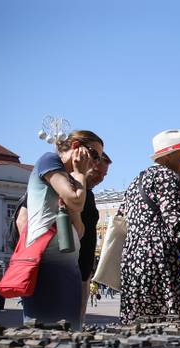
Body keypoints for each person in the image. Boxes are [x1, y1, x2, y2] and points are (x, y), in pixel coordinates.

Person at [119, 129, 180, 324]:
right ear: (167, 156)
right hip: (159, 260)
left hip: (133, 260)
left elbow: (122, 217)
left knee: (139, 325)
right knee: (174, 323)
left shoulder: (136, 181)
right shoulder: (167, 176)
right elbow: (175, 223)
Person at [22, 130, 103, 330]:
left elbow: (80, 230)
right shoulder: (49, 160)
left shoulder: (70, 178)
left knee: (69, 332)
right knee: (43, 335)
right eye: (94, 155)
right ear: (76, 146)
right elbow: (75, 201)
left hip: (68, 266)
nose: (96, 163)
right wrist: (80, 173)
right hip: (44, 263)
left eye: (99, 158)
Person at [80, 152, 110, 322]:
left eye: (104, 175)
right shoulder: (67, 189)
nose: (101, 179)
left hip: (83, 272)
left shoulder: (89, 194)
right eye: (97, 172)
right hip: (67, 269)